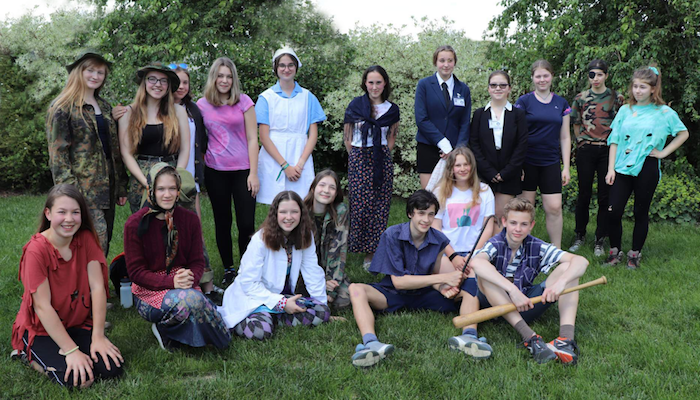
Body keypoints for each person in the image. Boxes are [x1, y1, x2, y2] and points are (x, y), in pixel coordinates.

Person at [349, 190, 489, 368]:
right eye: (421, 213)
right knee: (355, 289)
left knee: (471, 287)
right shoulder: (392, 235)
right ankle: (371, 344)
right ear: (410, 213)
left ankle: (469, 336)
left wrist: (442, 287)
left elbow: (433, 275)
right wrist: (445, 277)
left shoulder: (439, 239)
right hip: (393, 293)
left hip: (425, 294)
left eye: (431, 214)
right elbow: (399, 282)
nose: (426, 219)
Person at [11, 184, 123, 388]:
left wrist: (98, 336)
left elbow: (97, 288)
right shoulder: (36, 250)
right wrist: (71, 351)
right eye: (62, 212)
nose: (69, 219)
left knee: (112, 368)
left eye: (75, 212)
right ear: (48, 213)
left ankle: (77, 348)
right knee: (78, 380)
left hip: (76, 322)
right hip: (42, 329)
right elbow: (42, 306)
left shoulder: (86, 238)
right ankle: (27, 354)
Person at [123, 164, 231, 350]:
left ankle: (177, 331)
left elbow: (197, 262)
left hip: (184, 283)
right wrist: (171, 282)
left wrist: (190, 279)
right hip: (149, 291)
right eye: (161, 189)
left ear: (178, 191)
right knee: (194, 302)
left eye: (172, 188)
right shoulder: (134, 224)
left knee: (194, 303)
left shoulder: (190, 220)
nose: (167, 194)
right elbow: (136, 273)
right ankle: (166, 328)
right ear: (151, 191)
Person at [469, 197, 589, 365]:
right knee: (485, 276)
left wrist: (561, 283)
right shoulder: (495, 244)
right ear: (504, 222)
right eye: (513, 223)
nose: (518, 229)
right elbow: (476, 263)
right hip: (495, 307)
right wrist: (512, 290)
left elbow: (581, 261)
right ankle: (530, 338)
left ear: (531, 225)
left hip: (525, 304)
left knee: (568, 269)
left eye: (524, 224)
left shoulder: (536, 245)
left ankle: (565, 341)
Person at [603, 66, 689, 269]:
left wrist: (663, 153)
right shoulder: (625, 110)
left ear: (653, 89)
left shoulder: (664, 112)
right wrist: (610, 169)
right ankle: (615, 252)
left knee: (640, 212)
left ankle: (635, 254)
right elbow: (614, 140)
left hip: (647, 167)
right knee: (613, 211)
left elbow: (683, 133)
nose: (637, 91)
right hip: (621, 167)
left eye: (642, 87)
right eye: (635, 86)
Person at [46, 52, 129, 256]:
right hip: (82, 190)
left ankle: (95, 278)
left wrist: (121, 186)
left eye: (100, 72)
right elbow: (58, 156)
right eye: (90, 70)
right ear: (78, 72)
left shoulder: (105, 107)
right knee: (91, 245)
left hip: (106, 189)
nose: (95, 76)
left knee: (103, 244)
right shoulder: (62, 108)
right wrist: (69, 194)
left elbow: (113, 149)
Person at [218, 191, 330, 340]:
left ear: (301, 214)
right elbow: (248, 283)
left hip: (283, 297)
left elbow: (313, 272)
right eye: (283, 212)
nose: (289, 217)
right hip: (254, 298)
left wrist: (322, 303)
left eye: (294, 212)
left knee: (322, 312)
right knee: (260, 332)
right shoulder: (260, 240)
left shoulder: (305, 235)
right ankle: (260, 319)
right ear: (275, 214)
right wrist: (281, 303)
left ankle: (274, 318)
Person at [197, 57, 259, 287]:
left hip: (243, 171)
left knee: (246, 223)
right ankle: (229, 270)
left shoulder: (244, 102)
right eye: (220, 76)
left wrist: (254, 173)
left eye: (229, 76)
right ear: (213, 78)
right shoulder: (202, 105)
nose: (224, 80)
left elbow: (253, 139)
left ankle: (246, 268)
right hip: (216, 171)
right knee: (222, 221)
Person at [430, 147, 496, 355]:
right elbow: (436, 229)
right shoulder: (440, 191)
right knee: (461, 281)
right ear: (451, 168)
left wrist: (472, 256)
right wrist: (453, 256)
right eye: (457, 165)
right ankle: (451, 294)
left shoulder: (484, 191)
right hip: (447, 252)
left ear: (472, 166)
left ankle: (469, 334)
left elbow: (488, 227)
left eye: (466, 164)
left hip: (475, 252)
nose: (462, 168)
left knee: (472, 283)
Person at [344, 65, 400, 269]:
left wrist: (381, 154)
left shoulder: (392, 109)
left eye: (378, 82)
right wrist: (357, 156)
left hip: (381, 158)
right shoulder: (355, 106)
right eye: (371, 82)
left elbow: (392, 136)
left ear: (384, 84)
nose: (374, 87)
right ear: (365, 84)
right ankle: (356, 246)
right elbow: (348, 136)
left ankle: (373, 251)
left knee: (379, 205)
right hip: (359, 156)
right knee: (359, 204)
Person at [256, 47, 326, 204]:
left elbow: (312, 135)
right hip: (274, 158)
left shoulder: (308, 97)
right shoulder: (266, 98)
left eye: (290, 65)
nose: (286, 69)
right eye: (282, 65)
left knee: (302, 204)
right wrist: (285, 166)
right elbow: (264, 137)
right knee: (275, 205)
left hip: (300, 156)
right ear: (276, 68)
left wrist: (300, 165)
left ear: (296, 67)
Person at [568, 60, 625, 256]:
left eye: (600, 74)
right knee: (583, 194)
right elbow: (576, 123)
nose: (596, 78)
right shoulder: (581, 98)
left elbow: (621, 124)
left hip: (607, 150)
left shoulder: (616, 98)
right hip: (586, 150)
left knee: (604, 196)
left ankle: (600, 239)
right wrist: (581, 142)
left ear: (606, 76)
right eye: (592, 75)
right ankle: (579, 235)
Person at [118, 63, 190, 213]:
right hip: (142, 175)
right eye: (152, 79)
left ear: (168, 86)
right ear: (144, 82)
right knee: (145, 221)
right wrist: (146, 183)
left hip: (172, 172)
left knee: (175, 221)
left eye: (163, 81)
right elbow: (126, 154)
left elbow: (185, 149)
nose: (158, 84)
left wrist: (176, 177)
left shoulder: (178, 111)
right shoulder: (128, 113)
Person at [515, 59, 572, 248]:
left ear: (552, 77)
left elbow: (565, 137)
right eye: (538, 76)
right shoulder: (523, 102)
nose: (542, 80)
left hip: (550, 162)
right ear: (532, 78)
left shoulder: (561, 103)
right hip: (527, 162)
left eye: (545, 75)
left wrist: (566, 167)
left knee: (554, 207)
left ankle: (556, 250)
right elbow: (516, 134)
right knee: (525, 209)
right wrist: (517, 165)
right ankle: (522, 250)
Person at [470, 71, 528, 227]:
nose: (498, 88)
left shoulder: (518, 114)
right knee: (481, 215)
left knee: (501, 215)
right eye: (494, 85)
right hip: (484, 171)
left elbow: (522, 145)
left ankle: (499, 243)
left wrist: (506, 172)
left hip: (508, 172)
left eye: (502, 85)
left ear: (509, 89)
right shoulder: (479, 114)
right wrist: (488, 171)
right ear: (488, 88)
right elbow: (474, 144)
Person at [415, 45, 471, 189]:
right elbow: (421, 119)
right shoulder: (424, 85)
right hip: (428, 147)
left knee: (453, 194)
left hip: (455, 152)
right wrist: (443, 143)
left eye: (450, 60)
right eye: (442, 60)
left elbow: (465, 122)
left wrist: (458, 150)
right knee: (429, 195)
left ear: (455, 62)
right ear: (435, 62)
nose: (446, 65)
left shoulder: (463, 89)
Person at [303, 170, 351, 309]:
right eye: (322, 185)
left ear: (336, 193)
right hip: (304, 273)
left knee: (344, 300)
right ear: (313, 188)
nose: (326, 190)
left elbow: (338, 250)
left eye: (332, 187)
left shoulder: (340, 211)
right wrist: (319, 281)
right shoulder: (301, 211)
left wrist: (331, 284)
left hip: (327, 270)